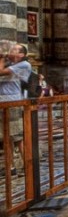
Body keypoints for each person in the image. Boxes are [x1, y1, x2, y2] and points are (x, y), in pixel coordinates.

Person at [0, 44, 33, 175]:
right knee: (6, 138)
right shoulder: (9, 64)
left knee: (18, 137)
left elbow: (1, 72)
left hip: (13, 103)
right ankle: (10, 167)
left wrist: (1, 58)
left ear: (21, 54)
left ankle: (26, 166)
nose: (10, 50)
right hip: (2, 103)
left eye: (14, 49)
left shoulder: (24, 65)